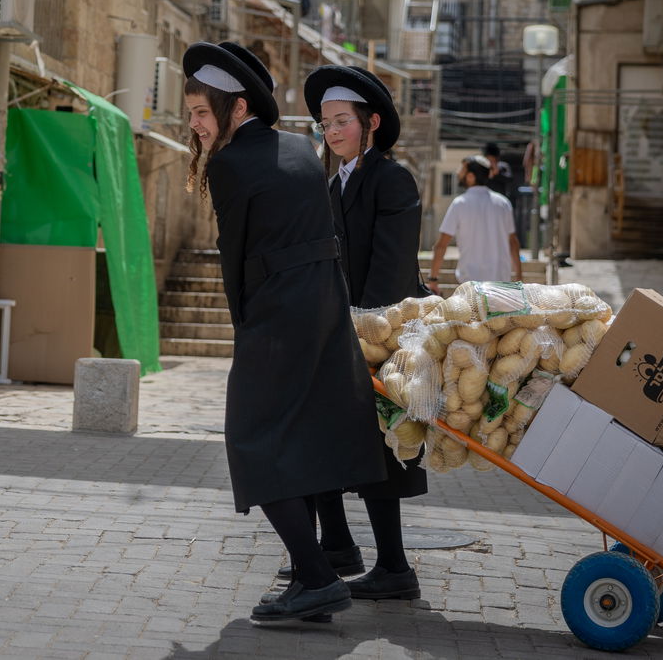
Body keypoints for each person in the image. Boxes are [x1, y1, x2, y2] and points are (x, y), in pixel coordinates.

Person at [183, 41, 385, 623]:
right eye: (193, 113)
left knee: (253, 438)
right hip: (325, 304)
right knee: (307, 433)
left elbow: (234, 251)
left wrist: (244, 323)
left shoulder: (226, 164)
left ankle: (319, 577)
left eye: (202, 112)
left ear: (237, 109)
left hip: (275, 311)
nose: (195, 125)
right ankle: (315, 566)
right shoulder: (303, 146)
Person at [299, 65, 429, 601]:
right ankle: (337, 548)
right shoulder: (333, 183)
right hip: (342, 330)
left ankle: (395, 567)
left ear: (371, 123)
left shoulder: (390, 179)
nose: (331, 132)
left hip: (382, 334)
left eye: (342, 122)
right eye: (325, 124)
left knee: (381, 447)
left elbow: (393, 268)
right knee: (321, 438)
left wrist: (366, 334)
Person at [428, 155, 523, 291]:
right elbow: (513, 242)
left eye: (461, 169)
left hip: (470, 287)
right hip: (501, 286)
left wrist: (433, 279)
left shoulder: (459, 204)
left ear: (471, 176)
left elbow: (441, 245)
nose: (457, 172)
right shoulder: (503, 203)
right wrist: (519, 277)